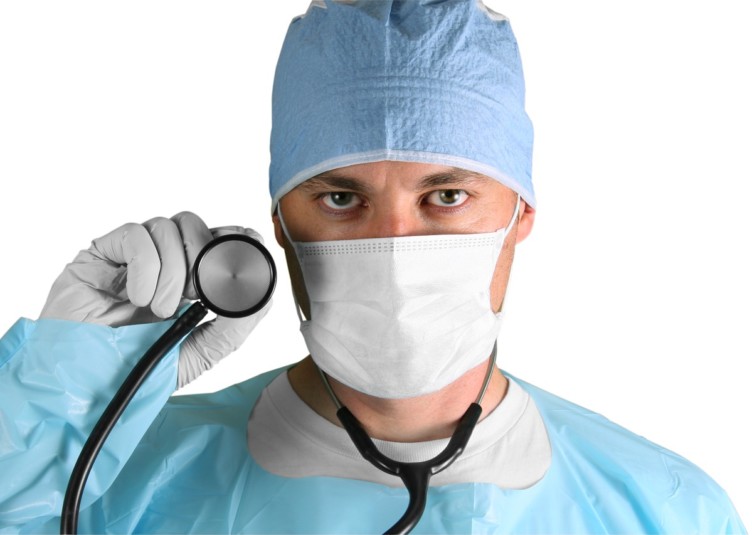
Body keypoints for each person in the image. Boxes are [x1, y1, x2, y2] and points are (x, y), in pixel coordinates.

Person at [0, 1, 746, 533]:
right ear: (280, 226)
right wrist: (57, 397)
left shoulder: (667, 511)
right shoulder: (107, 485)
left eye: (446, 196)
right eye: (340, 197)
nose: (393, 245)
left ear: (520, 214)